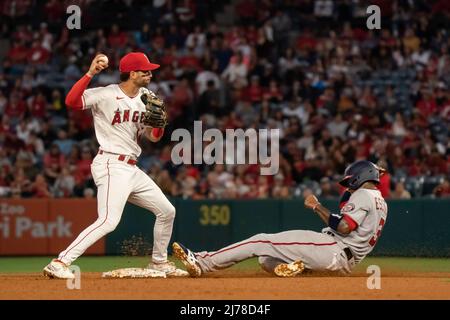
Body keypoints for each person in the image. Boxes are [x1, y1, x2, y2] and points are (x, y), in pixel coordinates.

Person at [43, 52, 186, 279]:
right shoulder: (106, 94)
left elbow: (153, 137)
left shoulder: (147, 96)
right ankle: (60, 261)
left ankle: (159, 262)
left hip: (131, 167)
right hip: (111, 162)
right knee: (109, 220)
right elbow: (71, 102)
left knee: (167, 211)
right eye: (145, 70)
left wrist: (159, 125)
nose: (150, 73)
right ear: (131, 73)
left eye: (150, 70)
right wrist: (90, 73)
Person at [173, 160, 388, 277]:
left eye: (351, 180)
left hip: (334, 247)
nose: (348, 185)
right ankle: (298, 270)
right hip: (343, 260)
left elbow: (343, 227)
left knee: (261, 241)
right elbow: (345, 206)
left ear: (360, 177)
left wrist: (316, 206)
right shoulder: (380, 202)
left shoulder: (362, 195)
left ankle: (203, 262)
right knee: (266, 260)